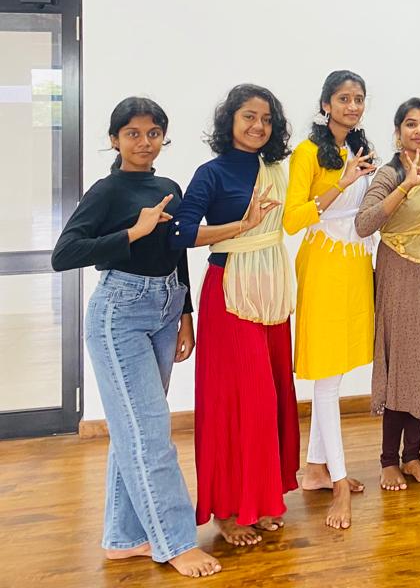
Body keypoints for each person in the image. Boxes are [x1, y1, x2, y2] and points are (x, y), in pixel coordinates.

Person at [51, 97, 221, 578]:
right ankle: (176, 542)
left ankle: (125, 539)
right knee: (150, 433)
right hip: (119, 314)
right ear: (114, 139)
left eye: (153, 133)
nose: (144, 142)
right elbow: (65, 254)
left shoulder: (168, 185)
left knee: (134, 431)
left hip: (166, 308)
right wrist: (133, 231)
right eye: (133, 134)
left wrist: (186, 313)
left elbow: (178, 248)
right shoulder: (107, 191)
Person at [172, 84, 297, 547]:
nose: (258, 126)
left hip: (271, 290)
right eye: (248, 116)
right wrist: (239, 227)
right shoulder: (212, 173)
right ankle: (228, 510)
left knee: (273, 398)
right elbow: (181, 234)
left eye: (266, 119)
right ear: (229, 120)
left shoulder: (275, 171)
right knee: (240, 403)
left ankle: (261, 501)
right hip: (229, 294)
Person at [282, 70, 376, 529]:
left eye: (358, 98)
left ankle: (316, 469)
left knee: (338, 368)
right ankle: (338, 482)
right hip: (322, 264)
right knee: (326, 377)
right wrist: (341, 180)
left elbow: (365, 212)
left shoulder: (358, 150)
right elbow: (293, 218)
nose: (352, 106)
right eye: (343, 98)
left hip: (356, 262)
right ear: (325, 105)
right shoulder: (305, 153)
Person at [355, 99, 420, 490]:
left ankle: (412, 456)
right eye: (411, 124)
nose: (419, 131)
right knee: (403, 363)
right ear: (398, 131)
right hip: (400, 270)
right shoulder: (390, 172)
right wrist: (404, 186)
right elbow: (365, 224)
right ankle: (387, 461)